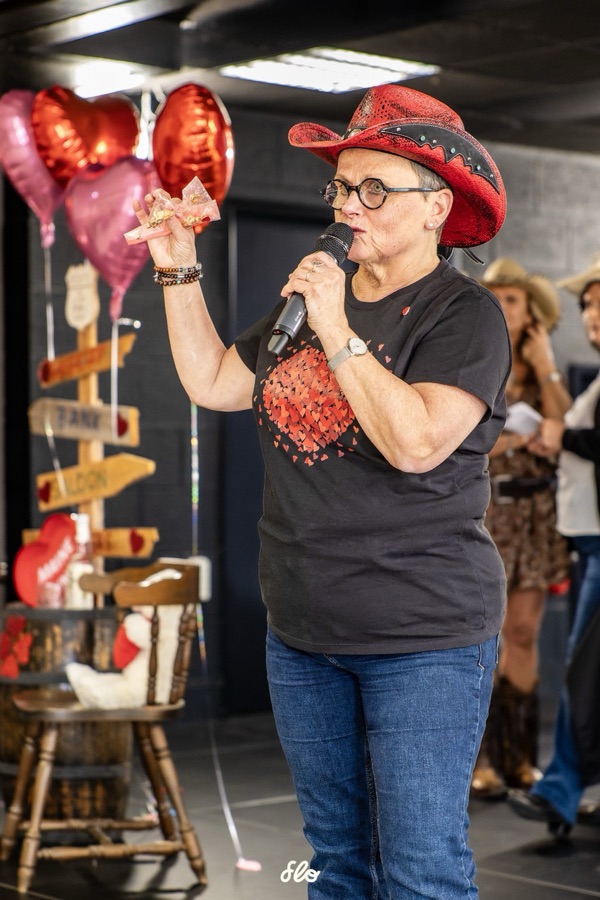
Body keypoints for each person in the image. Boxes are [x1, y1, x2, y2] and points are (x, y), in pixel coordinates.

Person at [133, 84, 511, 898]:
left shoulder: (462, 316)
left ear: (436, 207)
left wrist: (338, 326)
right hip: (303, 632)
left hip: (423, 636)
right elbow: (214, 382)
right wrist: (178, 270)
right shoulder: (304, 304)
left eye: (375, 189)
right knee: (336, 864)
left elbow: (415, 442)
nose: (351, 205)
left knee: (420, 870)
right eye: (342, 187)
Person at [470, 258, 572, 800]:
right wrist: (513, 441)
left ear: (532, 313)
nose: (505, 307)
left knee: (525, 635)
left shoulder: (537, 366)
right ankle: (478, 760)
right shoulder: (477, 357)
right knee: (481, 635)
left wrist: (546, 362)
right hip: (489, 511)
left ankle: (521, 760)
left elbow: (568, 422)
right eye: (499, 297)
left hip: (537, 517)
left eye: (514, 299)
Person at [507, 253, 600, 834]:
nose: (591, 314)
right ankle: (558, 785)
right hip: (586, 538)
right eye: (588, 305)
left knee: (583, 669)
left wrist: (560, 434)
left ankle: (560, 787)